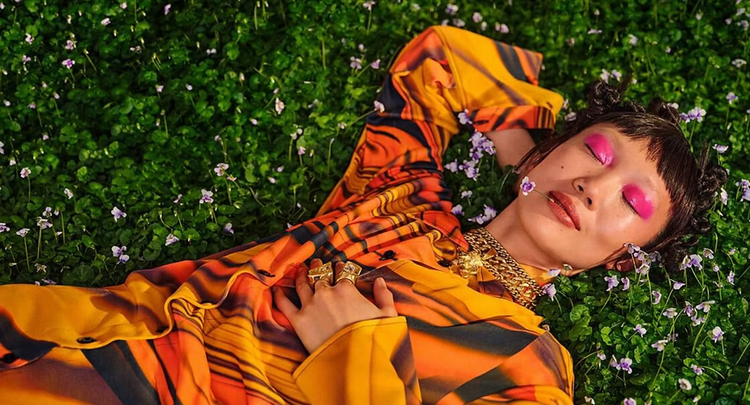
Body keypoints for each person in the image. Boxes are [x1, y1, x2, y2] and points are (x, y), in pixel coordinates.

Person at [0, 25, 725, 405]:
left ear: (623, 261)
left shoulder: (531, 365)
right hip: (101, 332)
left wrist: (358, 352)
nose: (596, 185)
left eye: (632, 203)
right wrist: (519, 147)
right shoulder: (400, 194)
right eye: (592, 152)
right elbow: (443, 58)